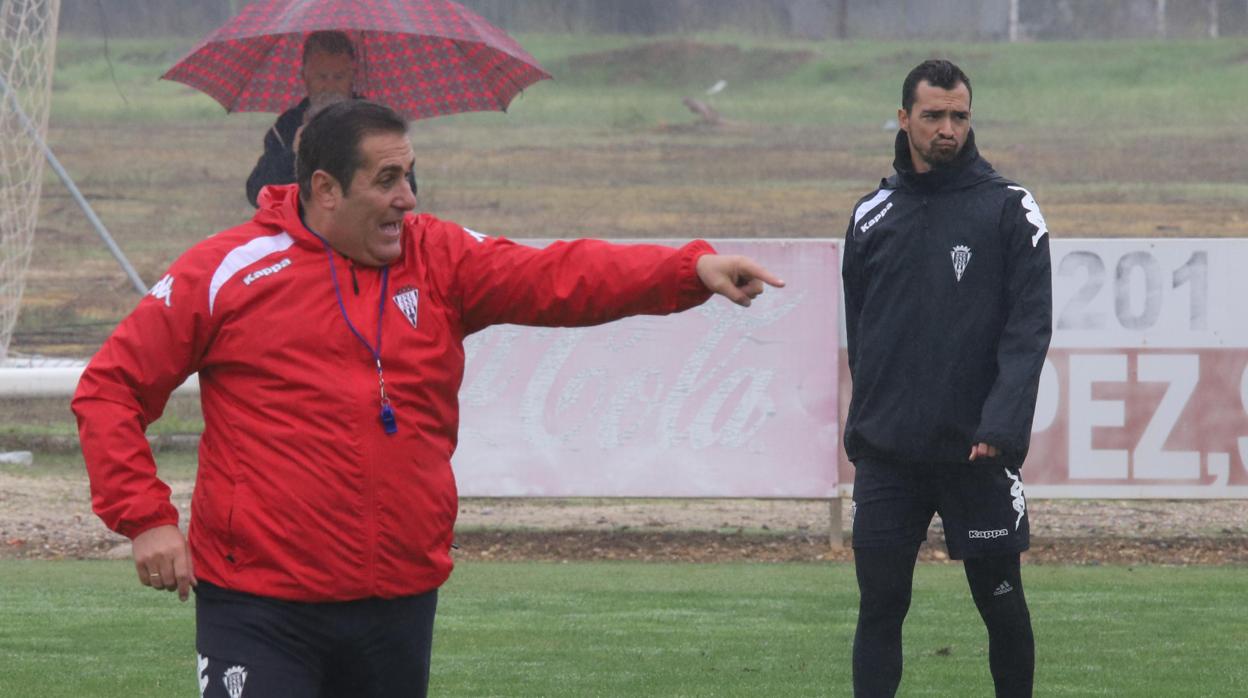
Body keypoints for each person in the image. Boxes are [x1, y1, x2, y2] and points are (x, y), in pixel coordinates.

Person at [73, 99, 784, 698]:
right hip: (261, 603)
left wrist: (689, 268)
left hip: (397, 600)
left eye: (410, 176)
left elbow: (559, 275)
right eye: (386, 180)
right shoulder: (227, 270)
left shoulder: (439, 257)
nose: (407, 199)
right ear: (325, 189)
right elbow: (110, 390)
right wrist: (147, 520)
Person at [840, 59, 1051, 698]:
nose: (947, 129)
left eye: (959, 116)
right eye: (933, 116)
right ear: (904, 119)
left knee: (1002, 606)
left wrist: (1001, 428)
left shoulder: (1011, 209)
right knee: (880, 609)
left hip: (976, 452)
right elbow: (862, 333)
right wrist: (870, 427)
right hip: (889, 458)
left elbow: (1028, 331)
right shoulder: (871, 215)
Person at [245, 31, 359, 207]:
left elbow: (407, 188)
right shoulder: (287, 126)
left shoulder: (376, 122)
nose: (330, 86)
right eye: (321, 77)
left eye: (339, 77)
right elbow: (257, 193)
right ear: (305, 77)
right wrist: (293, 155)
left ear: (353, 75)